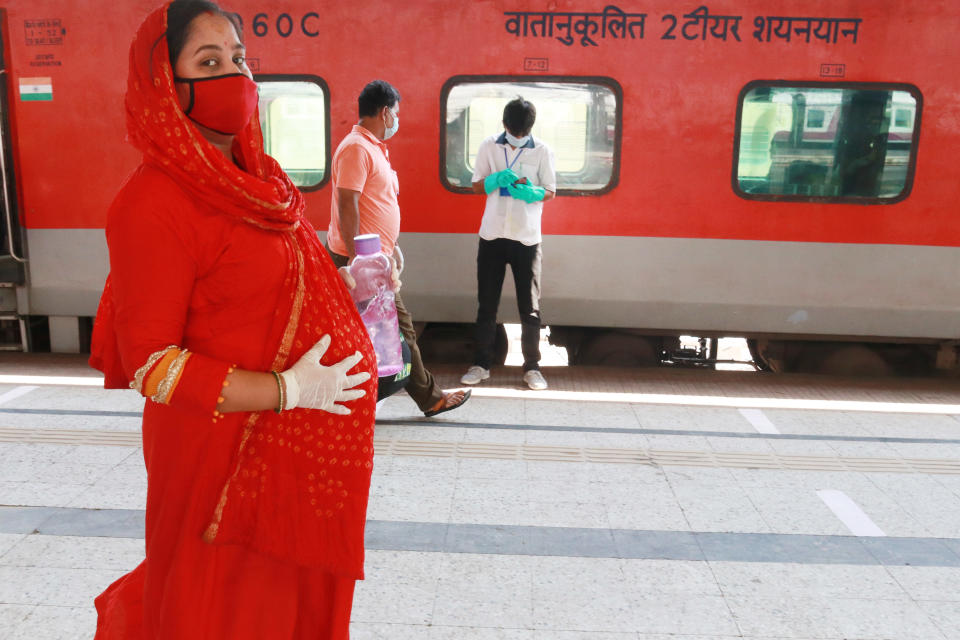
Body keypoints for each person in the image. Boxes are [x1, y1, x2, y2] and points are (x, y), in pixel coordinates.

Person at [88, 1, 376, 637]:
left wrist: (345, 283)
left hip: (294, 461)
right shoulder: (153, 201)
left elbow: (271, 287)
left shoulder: (261, 181)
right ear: (167, 81)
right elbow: (152, 367)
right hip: (213, 457)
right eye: (209, 61)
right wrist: (288, 390)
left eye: (239, 59)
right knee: (216, 609)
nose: (234, 77)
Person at [327, 79, 471, 417]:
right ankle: (428, 397)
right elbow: (349, 203)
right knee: (398, 328)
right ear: (384, 111)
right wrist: (358, 259)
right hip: (363, 260)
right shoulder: (357, 148)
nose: (397, 119)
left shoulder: (372, 147)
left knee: (379, 331)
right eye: (396, 113)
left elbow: (377, 202)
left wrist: (392, 246)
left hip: (374, 255)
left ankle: (361, 398)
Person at [460, 97, 556, 390]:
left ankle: (532, 367)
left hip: (526, 237)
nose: (517, 138)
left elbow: (551, 190)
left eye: (522, 133)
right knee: (486, 304)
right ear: (504, 125)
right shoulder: (489, 146)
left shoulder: (542, 150)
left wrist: (534, 193)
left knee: (530, 308)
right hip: (492, 234)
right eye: (514, 132)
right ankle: (481, 364)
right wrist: (494, 180)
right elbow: (477, 184)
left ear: (530, 128)